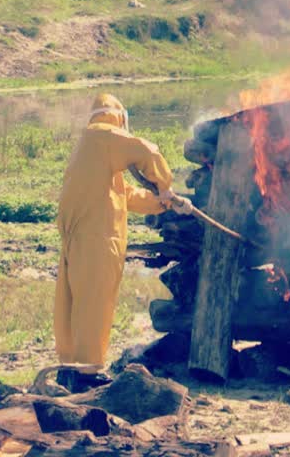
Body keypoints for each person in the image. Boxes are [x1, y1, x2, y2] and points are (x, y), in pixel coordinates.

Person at [54, 93, 192, 391]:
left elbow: (124, 194)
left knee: (74, 305)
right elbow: (147, 151)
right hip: (97, 237)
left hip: (78, 238)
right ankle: (86, 375)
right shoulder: (104, 136)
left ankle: (70, 369)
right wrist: (165, 184)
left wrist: (161, 203)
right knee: (94, 303)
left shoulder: (90, 148)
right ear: (117, 116)